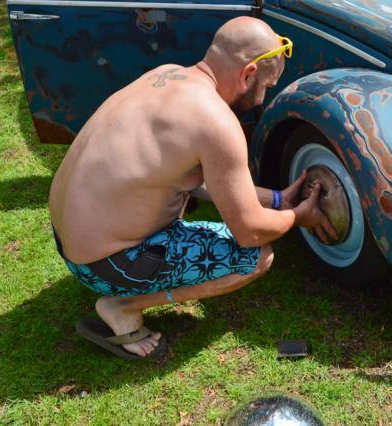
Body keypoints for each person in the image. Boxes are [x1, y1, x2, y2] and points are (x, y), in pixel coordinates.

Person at [48, 16, 337, 359]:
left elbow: (196, 179)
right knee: (257, 257)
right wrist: (296, 216)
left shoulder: (166, 75)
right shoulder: (216, 122)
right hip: (107, 266)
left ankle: (119, 283)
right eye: (266, 86)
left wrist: (276, 199)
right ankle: (122, 306)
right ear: (247, 75)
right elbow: (250, 232)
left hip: (70, 242)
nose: (262, 99)